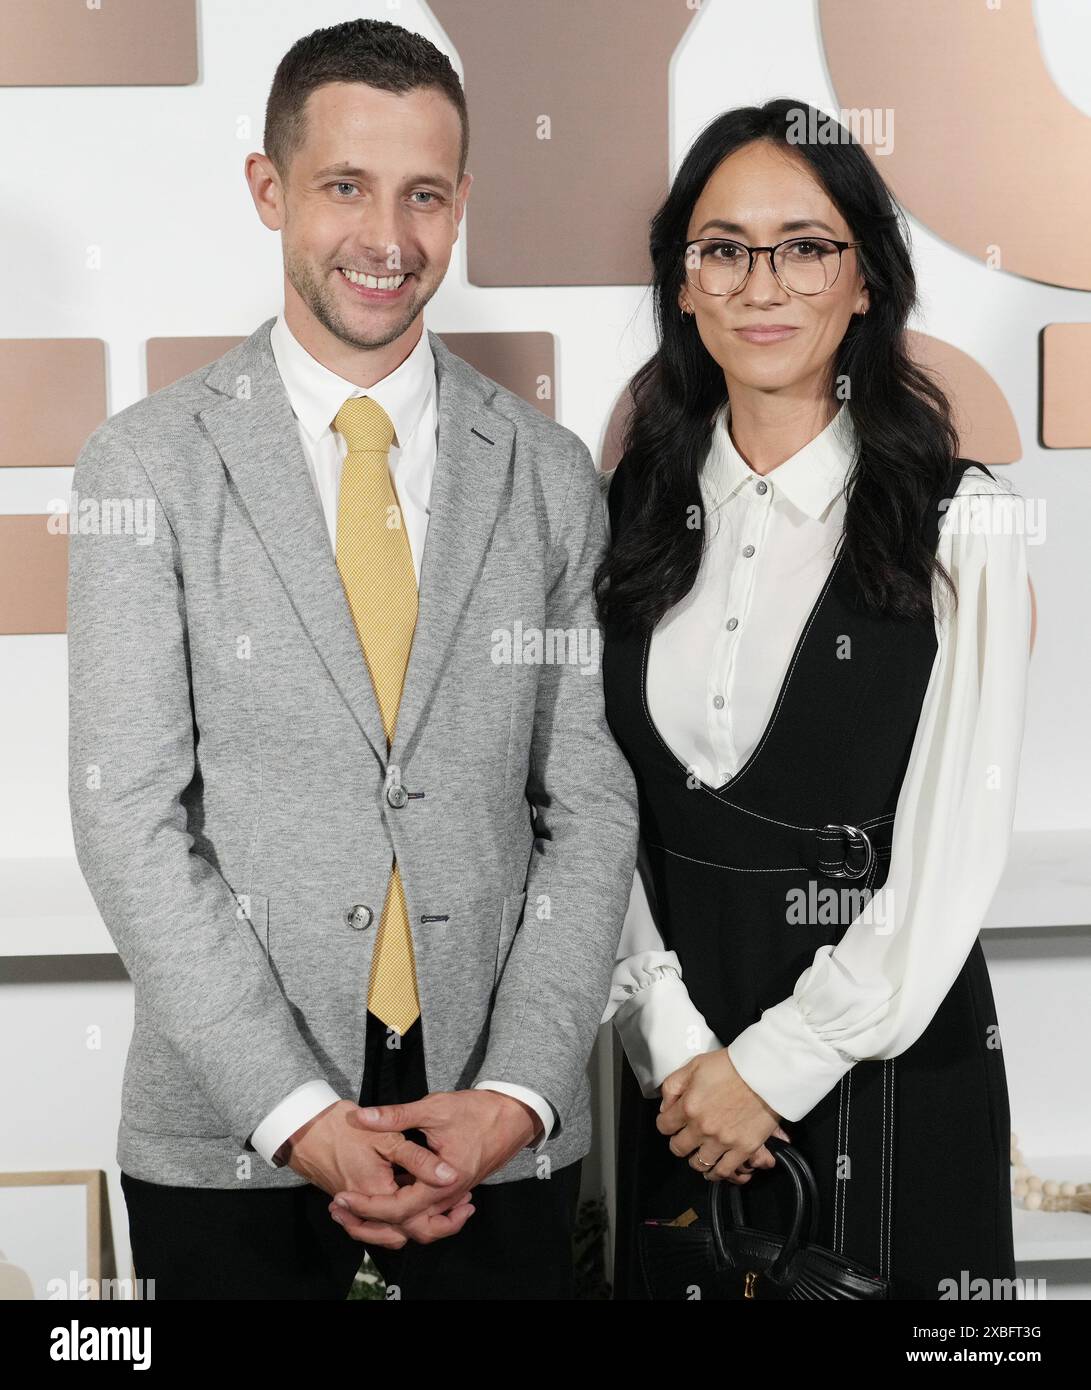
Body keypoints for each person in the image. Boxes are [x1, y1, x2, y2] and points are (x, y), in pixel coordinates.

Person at [66, 18, 638, 1300]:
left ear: (461, 205)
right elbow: (128, 816)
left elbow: (589, 808)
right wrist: (296, 1114)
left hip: (491, 1139)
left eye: (422, 194)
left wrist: (516, 1093)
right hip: (230, 1138)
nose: (387, 237)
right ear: (269, 191)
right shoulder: (149, 467)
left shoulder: (545, 476)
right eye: (344, 186)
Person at [596, 99, 1033, 1300]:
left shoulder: (965, 524)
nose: (759, 284)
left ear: (862, 281)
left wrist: (770, 1070)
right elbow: (594, 817)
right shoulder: (623, 513)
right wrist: (679, 1053)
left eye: (804, 245)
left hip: (888, 1059)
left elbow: (950, 854)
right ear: (682, 287)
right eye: (721, 248)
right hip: (673, 1083)